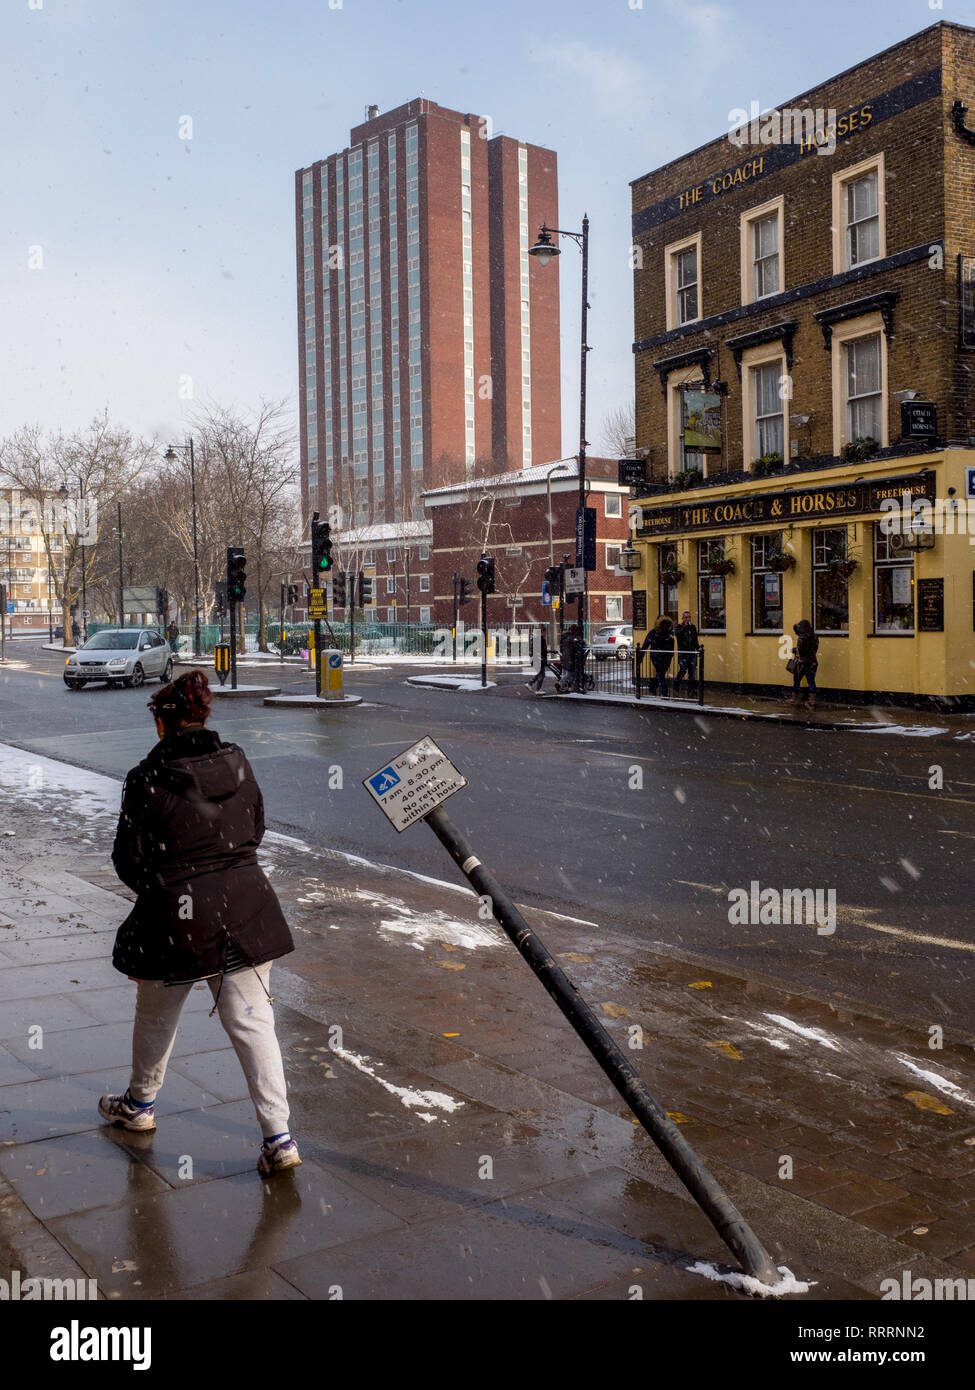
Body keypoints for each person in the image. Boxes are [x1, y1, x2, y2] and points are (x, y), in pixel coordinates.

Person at [100, 670, 300, 1175]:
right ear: (204, 716)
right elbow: (254, 828)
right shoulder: (237, 762)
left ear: (163, 725)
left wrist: (169, 887)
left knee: (156, 1013)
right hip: (249, 906)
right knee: (255, 1024)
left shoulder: (146, 779)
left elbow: (130, 860)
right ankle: (279, 1139)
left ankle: (140, 1105)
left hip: (178, 917)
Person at [641, 615, 675, 697]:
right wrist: (641, 656)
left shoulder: (669, 633)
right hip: (656, 657)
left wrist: (670, 655)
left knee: (660, 674)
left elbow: (671, 645)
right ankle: (664, 692)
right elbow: (646, 644)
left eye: (666, 624)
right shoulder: (653, 632)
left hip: (666, 657)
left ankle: (653, 686)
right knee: (660, 673)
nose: (665, 626)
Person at [790, 619, 820, 709]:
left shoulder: (802, 638)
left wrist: (794, 650)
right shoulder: (815, 637)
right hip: (813, 662)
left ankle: (795, 699)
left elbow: (801, 651)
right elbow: (814, 650)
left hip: (802, 663)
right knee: (811, 681)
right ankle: (812, 701)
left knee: (796, 679)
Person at [672, 611, 699, 697]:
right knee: (683, 670)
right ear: (682, 618)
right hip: (683, 653)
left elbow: (695, 640)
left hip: (692, 653)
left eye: (689, 617)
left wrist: (698, 649)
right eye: (686, 617)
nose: (688, 619)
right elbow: (677, 634)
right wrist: (684, 627)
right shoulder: (679, 627)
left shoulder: (693, 627)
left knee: (692, 673)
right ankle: (676, 685)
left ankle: (691, 690)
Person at [558, 624, 584, 692]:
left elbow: (562, 647)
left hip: (565, 657)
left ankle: (566, 685)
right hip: (569, 658)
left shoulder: (565, 637)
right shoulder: (572, 638)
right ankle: (562, 684)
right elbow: (573, 649)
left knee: (566, 673)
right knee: (570, 673)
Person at [527, 628, 550, 693]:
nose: (545, 634)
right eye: (545, 632)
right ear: (542, 632)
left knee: (541, 674)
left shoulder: (535, 639)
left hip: (537, 659)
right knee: (541, 675)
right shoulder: (540, 639)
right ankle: (533, 686)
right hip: (539, 659)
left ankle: (533, 685)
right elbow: (540, 650)